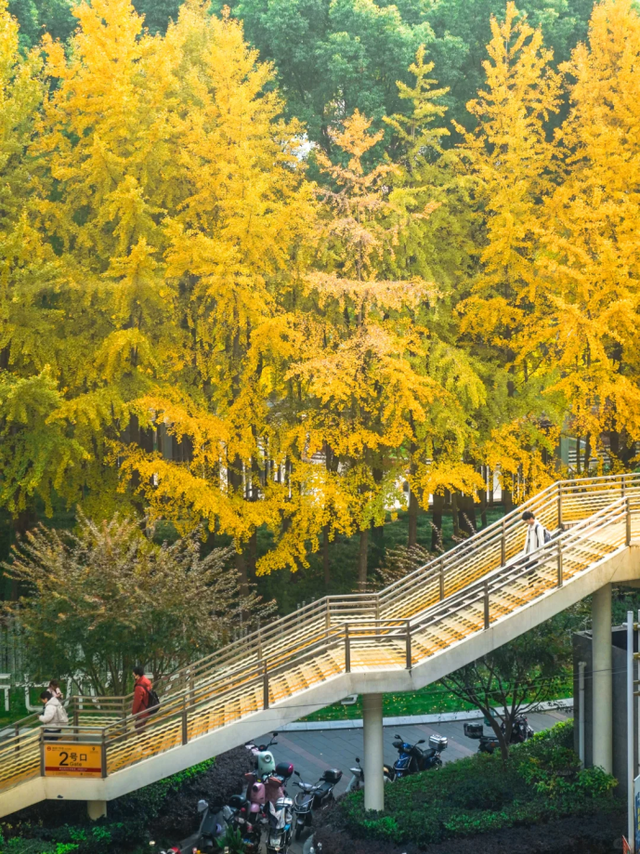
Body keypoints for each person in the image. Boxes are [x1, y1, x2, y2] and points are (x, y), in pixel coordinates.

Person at [132, 665, 153, 732]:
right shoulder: (146, 682)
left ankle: (145, 742)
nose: (133, 675)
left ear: (137, 675)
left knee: (138, 727)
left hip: (142, 711)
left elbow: (137, 701)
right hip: (147, 708)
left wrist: (134, 713)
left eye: (134, 674)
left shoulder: (139, 687)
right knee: (140, 727)